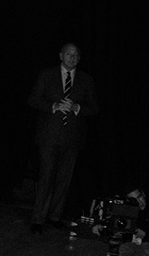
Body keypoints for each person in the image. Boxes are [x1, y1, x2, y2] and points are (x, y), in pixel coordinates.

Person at [27, 42, 99, 234]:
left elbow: (95, 107)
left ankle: (55, 216)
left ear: (80, 58)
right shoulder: (47, 75)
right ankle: (38, 219)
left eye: (75, 55)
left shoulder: (86, 79)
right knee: (46, 176)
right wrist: (54, 106)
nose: (72, 58)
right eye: (68, 54)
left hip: (72, 137)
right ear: (61, 56)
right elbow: (33, 99)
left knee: (64, 179)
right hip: (49, 136)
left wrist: (77, 108)